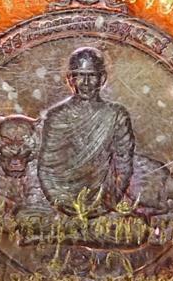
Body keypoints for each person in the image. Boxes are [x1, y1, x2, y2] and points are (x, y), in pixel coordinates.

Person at [38, 47, 135, 216]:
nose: (86, 82)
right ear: (71, 79)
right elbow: (48, 167)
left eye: (92, 75)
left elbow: (123, 163)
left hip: (105, 201)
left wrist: (108, 202)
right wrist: (61, 203)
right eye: (80, 75)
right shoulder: (57, 116)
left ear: (102, 78)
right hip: (64, 199)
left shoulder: (116, 115)